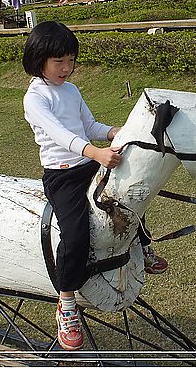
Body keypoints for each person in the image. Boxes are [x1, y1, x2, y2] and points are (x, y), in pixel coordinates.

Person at [22, 21, 168, 351]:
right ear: (39, 58)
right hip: (62, 176)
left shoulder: (71, 91)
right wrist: (97, 153)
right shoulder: (36, 97)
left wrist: (118, 131)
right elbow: (61, 135)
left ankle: (144, 247)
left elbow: (88, 125)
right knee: (74, 234)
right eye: (59, 61)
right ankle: (67, 302)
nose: (66, 68)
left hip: (88, 163)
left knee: (131, 194)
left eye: (71, 60)